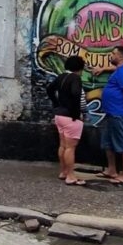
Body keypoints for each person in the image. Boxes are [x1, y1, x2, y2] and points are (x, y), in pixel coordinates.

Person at [47, 54, 88, 186]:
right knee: (70, 148)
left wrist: (56, 103)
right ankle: (70, 176)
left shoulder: (61, 77)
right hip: (70, 117)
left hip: (59, 115)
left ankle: (63, 171)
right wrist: (77, 114)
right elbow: (76, 94)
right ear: (79, 68)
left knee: (63, 145)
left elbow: (49, 89)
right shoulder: (75, 78)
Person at [100, 45, 123, 184]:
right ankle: (112, 169)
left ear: (120, 56)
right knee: (108, 142)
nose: (111, 55)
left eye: (113, 53)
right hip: (112, 113)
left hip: (120, 113)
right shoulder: (121, 69)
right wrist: (103, 68)